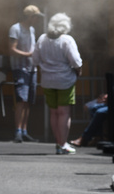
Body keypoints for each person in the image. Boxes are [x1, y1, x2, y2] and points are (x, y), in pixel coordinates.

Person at [33, 13, 82, 155]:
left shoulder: (42, 39)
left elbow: (35, 60)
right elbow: (76, 61)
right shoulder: (67, 40)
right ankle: (62, 144)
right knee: (64, 112)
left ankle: (57, 143)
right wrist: (78, 71)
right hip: (65, 80)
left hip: (47, 80)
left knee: (54, 112)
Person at [8, 4, 42, 142]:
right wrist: (28, 54)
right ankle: (18, 131)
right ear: (30, 17)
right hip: (20, 68)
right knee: (22, 100)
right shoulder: (15, 28)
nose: (37, 20)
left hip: (32, 68)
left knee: (28, 101)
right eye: (36, 17)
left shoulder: (32, 29)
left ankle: (24, 130)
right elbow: (11, 49)